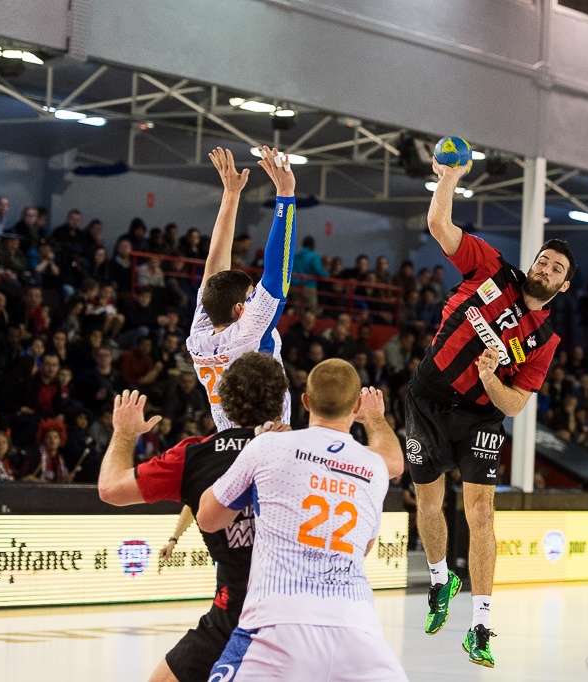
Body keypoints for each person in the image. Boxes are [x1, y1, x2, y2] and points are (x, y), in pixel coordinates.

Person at [407, 158, 576, 667]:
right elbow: (439, 224)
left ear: (564, 286)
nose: (546, 270)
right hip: (428, 398)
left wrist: (489, 380)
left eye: (557, 269)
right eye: (544, 261)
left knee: (481, 513)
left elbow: (517, 404)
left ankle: (480, 626)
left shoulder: (545, 340)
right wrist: (449, 178)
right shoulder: (491, 268)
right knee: (429, 502)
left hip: (481, 416)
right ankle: (441, 580)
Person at [196, 359, 406, 681]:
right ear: (356, 406)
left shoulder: (268, 445)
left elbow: (208, 519)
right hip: (356, 627)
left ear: (305, 401)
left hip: (276, 622)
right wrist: (375, 417)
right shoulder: (373, 467)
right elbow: (363, 546)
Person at [97, 352, 290, 682]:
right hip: (301, 613)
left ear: (224, 402)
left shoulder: (194, 455)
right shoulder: (302, 449)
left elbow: (111, 488)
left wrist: (125, 433)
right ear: (280, 403)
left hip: (235, 613)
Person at [186, 146, 297, 432]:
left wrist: (231, 194)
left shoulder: (199, 335)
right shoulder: (248, 331)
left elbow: (214, 268)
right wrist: (285, 195)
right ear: (239, 309)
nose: (254, 299)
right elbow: (277, 271)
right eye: (250, 296)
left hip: (228, 440)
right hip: (268, 438)